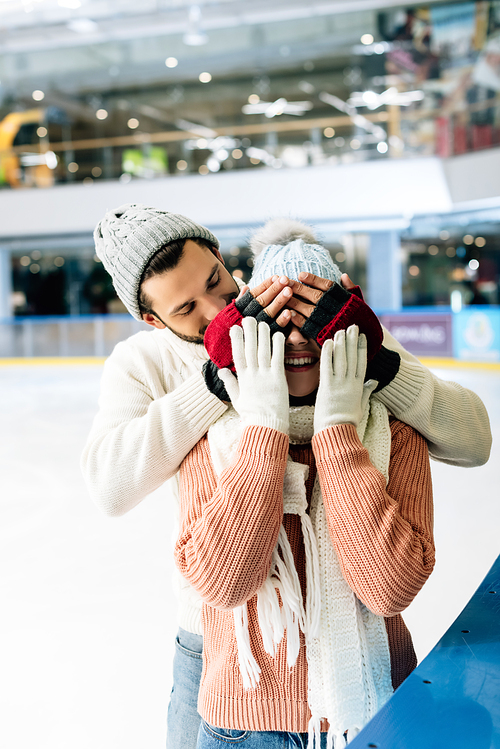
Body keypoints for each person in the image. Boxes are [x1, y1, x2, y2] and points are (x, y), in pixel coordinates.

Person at [81, 206, 491, 748]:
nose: (218, 305)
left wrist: (381, 364)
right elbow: (109, 484)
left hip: (357, 640)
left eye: (216, 282)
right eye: (186, 307)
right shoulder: (143, 363)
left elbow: (473, 441)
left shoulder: (306, 309)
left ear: (225, 261)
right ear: (154, 320)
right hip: (219, 640)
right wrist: (218, 380)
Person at [174, 231, 435, 747]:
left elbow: (388, 589)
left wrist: (336, 428)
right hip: (242, 727)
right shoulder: (215, 436)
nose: (297, 338)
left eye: (314, 318)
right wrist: (265, 425)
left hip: (376, 710)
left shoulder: (394, 434)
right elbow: (222, 584)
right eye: (277, 321)